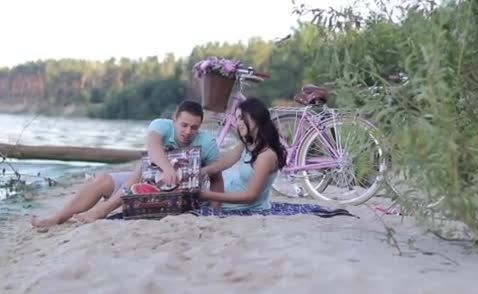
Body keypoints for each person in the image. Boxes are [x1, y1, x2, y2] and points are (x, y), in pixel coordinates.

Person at [30, 100, 224, 227]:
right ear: (174, 119)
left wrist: (215, 212)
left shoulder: (207, 143)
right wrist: (166, 167)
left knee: (141, 167)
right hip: (146, 180)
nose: (188, 131)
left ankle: (102, 210)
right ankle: (59, 217)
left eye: (194, 127)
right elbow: (153, 148)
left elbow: (217, 179)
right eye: (184, 125)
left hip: (179, 194)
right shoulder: (161, 126)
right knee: (104, 180)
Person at [197, 97, 286, 211]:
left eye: (241, 118)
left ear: (256, 118)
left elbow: (250, 196)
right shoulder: (248, 143)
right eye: (237, 118)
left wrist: (207, 195)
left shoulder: (266, 156)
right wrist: (204, 171)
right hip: (232, 190)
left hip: (245, 205)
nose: (237, 123)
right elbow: (227, 160)